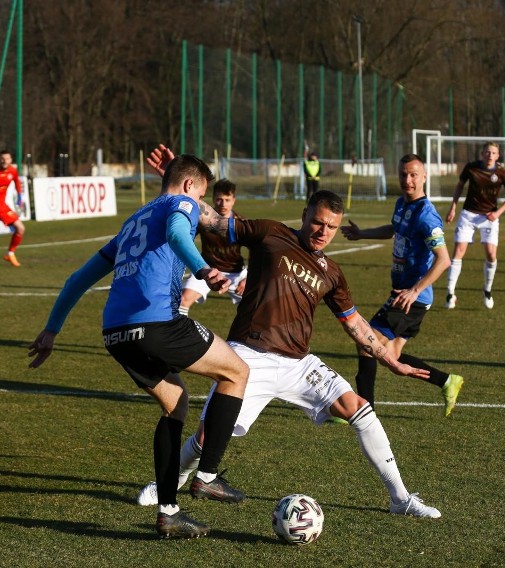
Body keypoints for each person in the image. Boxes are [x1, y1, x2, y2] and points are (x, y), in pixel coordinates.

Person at [136, 145, 442, 520]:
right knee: (205, 438)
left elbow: (356, 325)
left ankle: (401, 499)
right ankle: (168, 483)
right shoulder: (271, 234)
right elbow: (214, 220)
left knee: (359, 409)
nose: (323, 232)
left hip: (299, 363)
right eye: (318, 222)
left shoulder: (332, 273)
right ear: (305, 215)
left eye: (331, 227)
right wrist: (177, 184)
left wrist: (391, 360)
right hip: (247, 357)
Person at [27, 154, 249, 540]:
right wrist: (202, 269)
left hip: (115, 333)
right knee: (237, 371)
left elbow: (77, 279)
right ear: (190, 187)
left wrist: (51, 330)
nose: (201, 204)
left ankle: (168, 513)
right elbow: (181, 234)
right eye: (202, 195)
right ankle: (207, 476)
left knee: (175, 403)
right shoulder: (180, 204)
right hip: (157, 322)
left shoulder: (132, 223)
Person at [341, 154, 464, 417]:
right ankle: (446, 381)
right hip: (403, 293)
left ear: (424, 177)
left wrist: (415, 290)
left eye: (413, 175)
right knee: (390, 355)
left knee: (366, 342)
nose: (407, 180)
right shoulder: (401, 204)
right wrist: (363, 233)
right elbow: (394, 229)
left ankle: (363, 411)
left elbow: (443, 260)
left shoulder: (427, 216)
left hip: (412, 297)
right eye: (403, 175)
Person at [444, 141, 505, 309]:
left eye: (493, 153)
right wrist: (453, 207)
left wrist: (497, 213)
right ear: (482, 153)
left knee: (491, 254)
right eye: (487, 152)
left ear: (498, 156)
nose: (490, 155)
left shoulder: (503, 173)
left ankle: (487, 290)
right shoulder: (471, 168)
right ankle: (450, 293)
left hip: (488, 218)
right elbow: (459, 186)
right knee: (458, 251)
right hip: (468, 215)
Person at [179, 179, 247, 316]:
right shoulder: (203, 220)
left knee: (255, 309)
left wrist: (248, 279)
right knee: (182, 300)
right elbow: (185, 239)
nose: (223, 204)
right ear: (213, 199)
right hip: (208, 270)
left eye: (227, 200)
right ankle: (177, 336)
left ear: (234, 200)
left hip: (236, 273)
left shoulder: (241, 223)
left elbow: (259, 251)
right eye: (219, 199)